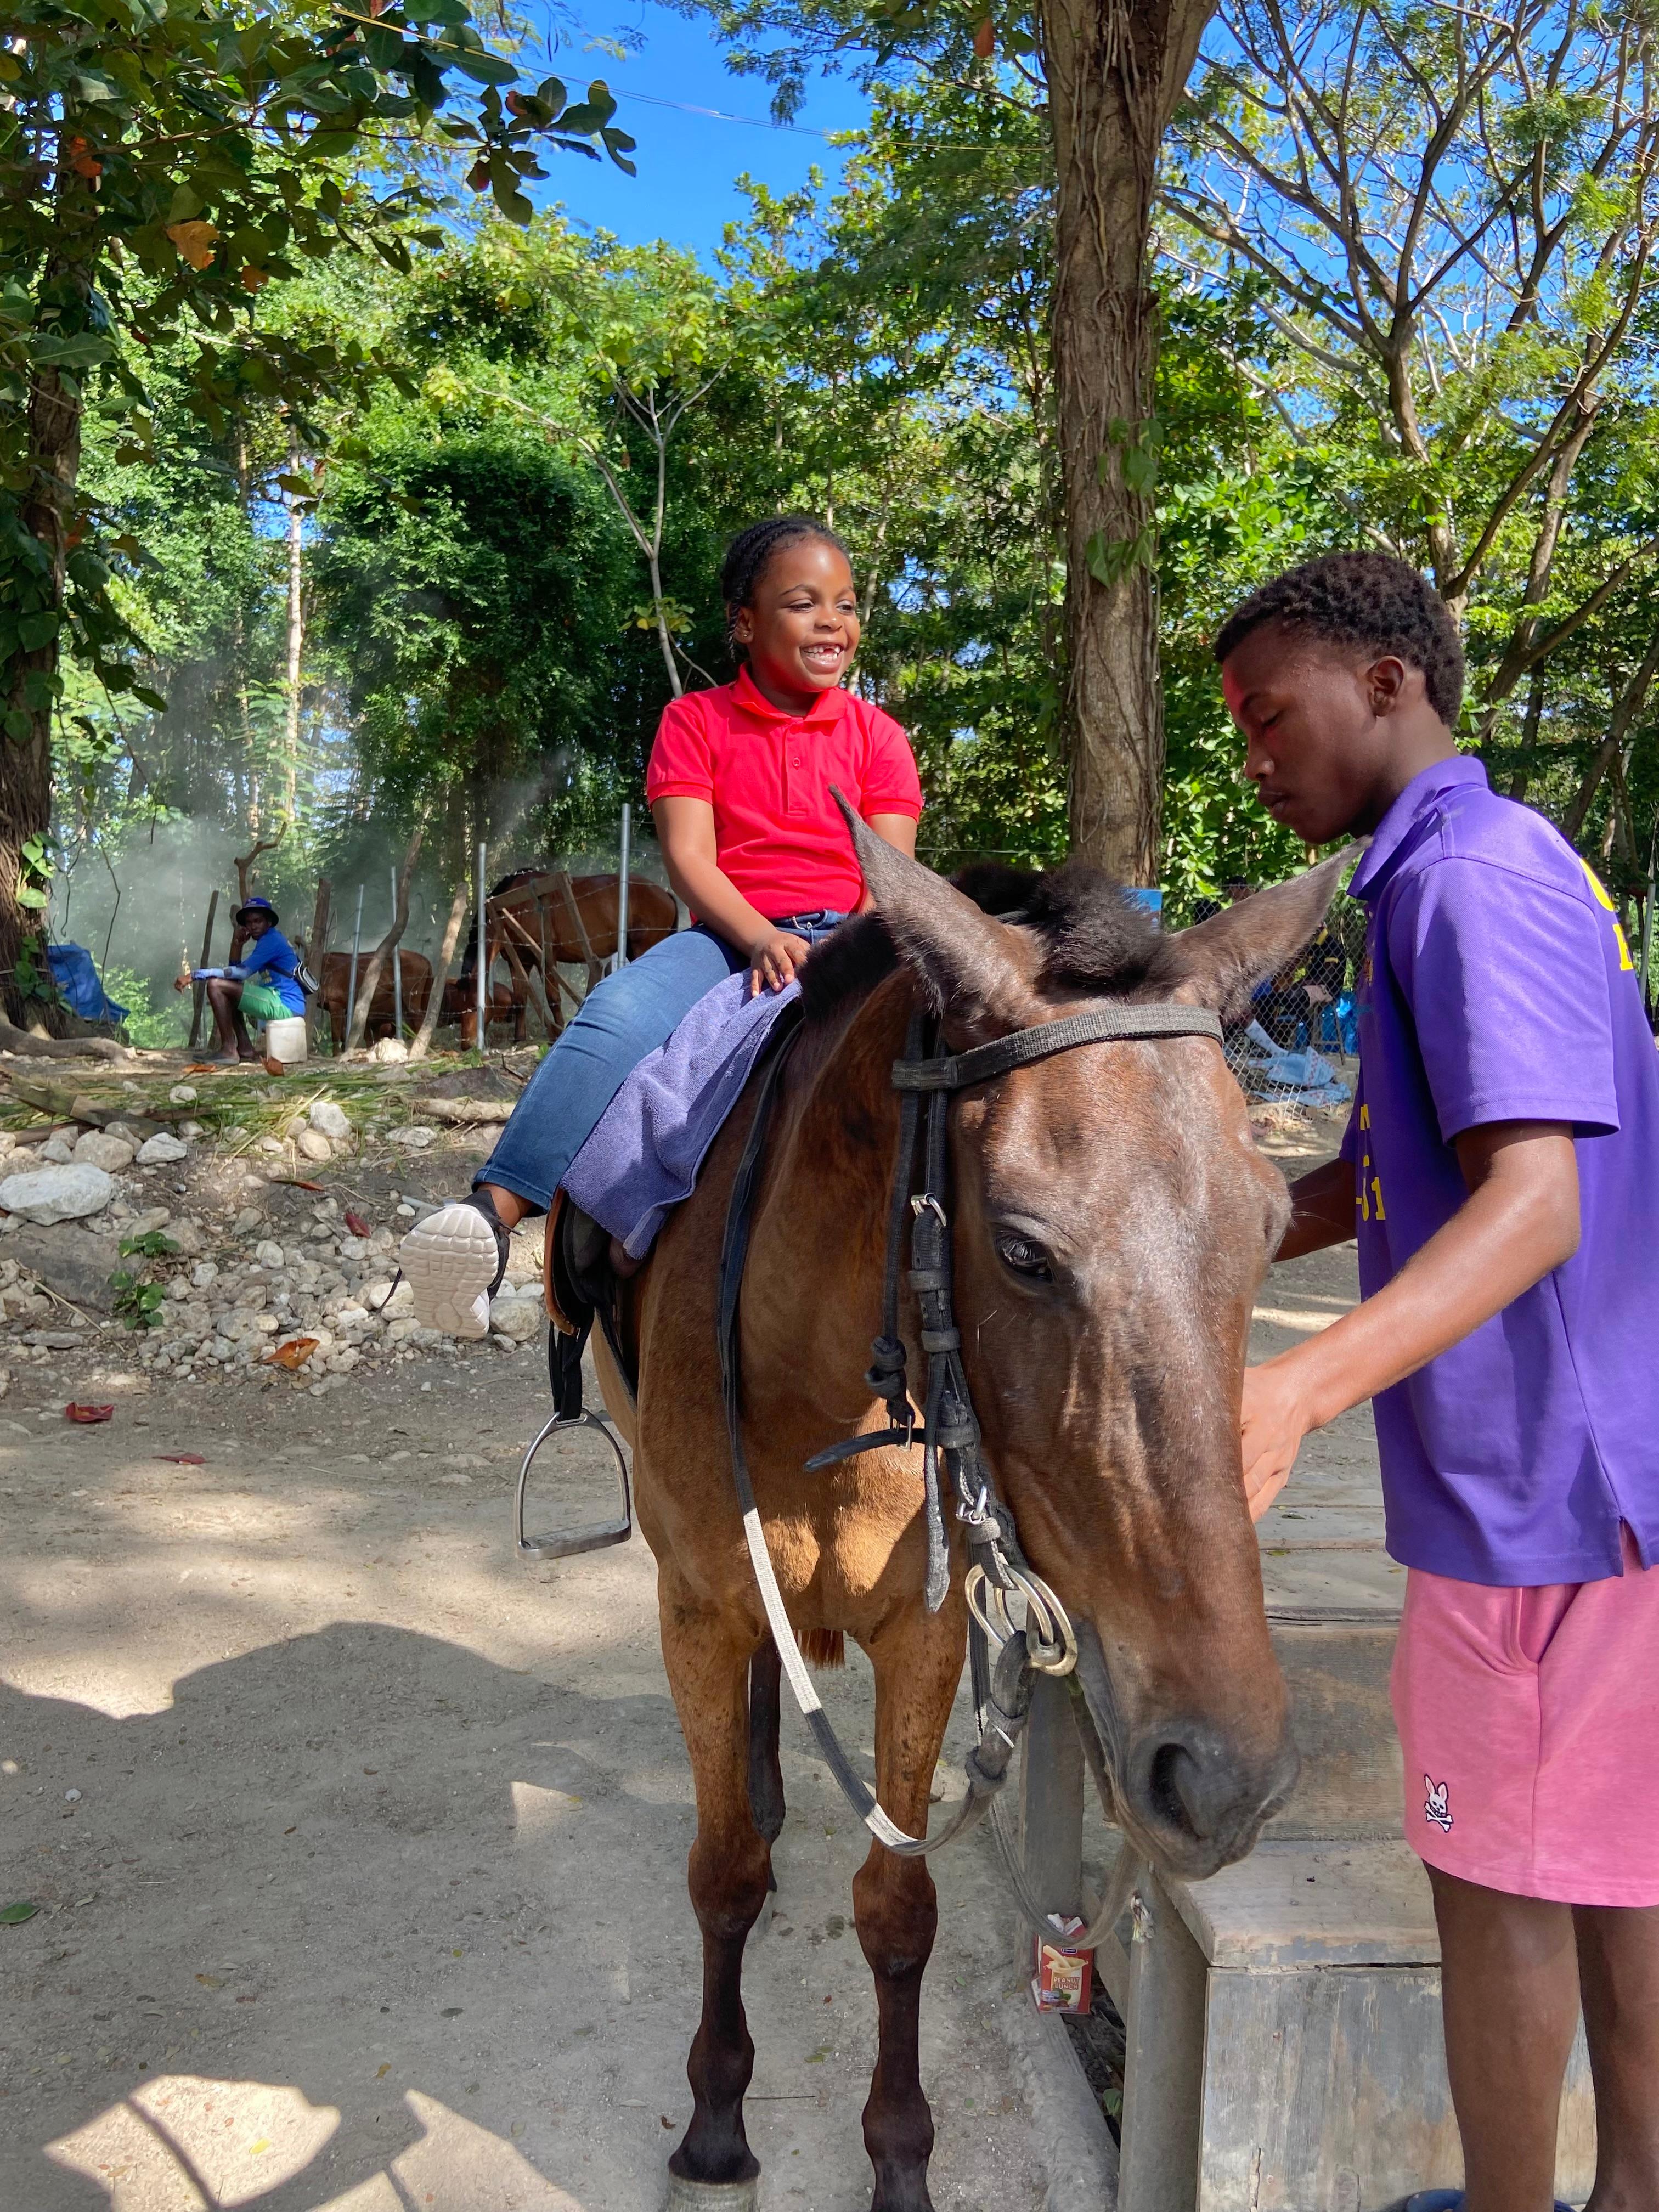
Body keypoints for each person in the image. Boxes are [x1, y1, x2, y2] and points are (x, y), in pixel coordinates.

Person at [1218, 550, 1659, 2212]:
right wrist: (1196, 1247)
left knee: (1498, 1880)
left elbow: (1533, 1202)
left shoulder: (1471, 878)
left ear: (1388, 682)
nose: (1256, 760)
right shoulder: (1454, 871)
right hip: (1602, 1460)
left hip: (1539, 1487)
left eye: (1273, 716)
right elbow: (1390, 1174)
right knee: (1614, 1862)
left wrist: (1299, 1390)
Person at [399, 514, 924, 1337]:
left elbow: (889, 879)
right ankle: (489, 1219)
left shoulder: (880, 739)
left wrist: (844, 957)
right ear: (745, 624)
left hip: (859, 941)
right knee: (616, 1013)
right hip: (727, 935)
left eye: (847, 603)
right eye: (804, 603)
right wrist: (759, 938)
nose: (834, 621)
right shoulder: (697, 722)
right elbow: (692, 861)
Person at [182, 896, 306, 1064]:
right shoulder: (269, 939)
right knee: (226, 987)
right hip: (279, 1000)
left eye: (258, 921)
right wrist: (237, 944)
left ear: (268, 922)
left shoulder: (271, 941)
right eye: (249, 923)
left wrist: (196, 975)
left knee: (215, 985)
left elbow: (240, 974)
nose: (253, 926)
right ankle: (245, 1049)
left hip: (285, 1004)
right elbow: (234, 974)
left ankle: (228, 1050)